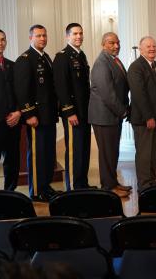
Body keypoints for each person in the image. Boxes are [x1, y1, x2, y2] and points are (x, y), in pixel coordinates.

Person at [14, 25, 59, 201]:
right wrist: (29, 114)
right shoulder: (25, 59)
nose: (42, 38)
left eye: (44, 35)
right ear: (31, 38)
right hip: (36, 117)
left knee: (48, 153)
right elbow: (22, 90)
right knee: (37, 155)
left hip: (48, 115)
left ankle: (46, 187)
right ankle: (36, 191)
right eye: (39, 36)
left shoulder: (46, 57)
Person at [88, 32, 131, 198]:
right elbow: (107, 94)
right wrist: (123, 111)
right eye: (112, 43)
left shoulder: (114, 60)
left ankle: (113, 183)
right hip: (103, 116)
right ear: (103, 44)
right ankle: (108, 187)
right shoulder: (101, 63)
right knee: (107, 153)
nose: (116, 46)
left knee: (113, 152)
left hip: (111, 116)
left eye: (118, 42)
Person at [53, 23, 93, 190]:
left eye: (81, 33)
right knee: (74, 151)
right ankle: (73, 188)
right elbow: (61, 87)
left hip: (85, 112)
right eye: (75, 34)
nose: (78, 36)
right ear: (67, 36)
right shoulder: (62, 56)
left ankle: (82, 184)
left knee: (84, 149)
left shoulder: (81, 55)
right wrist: (69, 111)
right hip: (73, 113)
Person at [127, 36, 156, 191]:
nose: (152, 49)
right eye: (148, 46)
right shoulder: (136, 67)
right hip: (144, 119)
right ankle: (143, 185)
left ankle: (151, 180)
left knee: (154, 152)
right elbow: (139, 95)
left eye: (154, 46)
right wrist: (149, 116)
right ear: (141, 48)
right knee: (144, 154)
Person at [0, 29, 21, 191]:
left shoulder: (13, 66)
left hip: (13, 122)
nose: (0, 42)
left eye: (3, 39)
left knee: (12, 161)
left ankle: (10, 193)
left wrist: (19, 112)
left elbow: (21, 93)